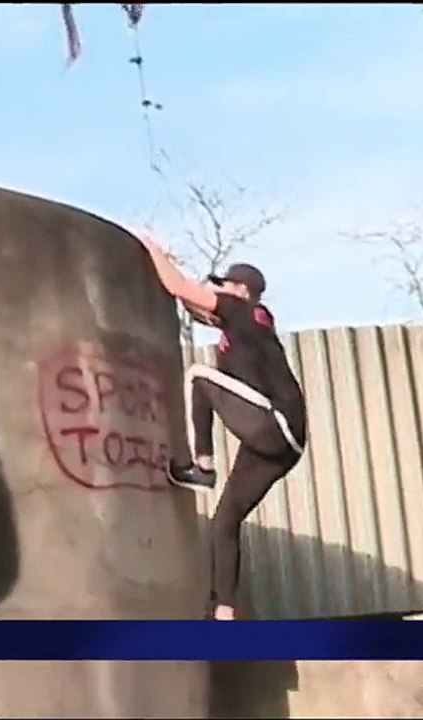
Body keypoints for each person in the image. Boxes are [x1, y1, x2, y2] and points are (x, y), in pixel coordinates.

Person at [131, 228, 308, 621]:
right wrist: (175, 272)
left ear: (242, 290)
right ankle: (225, 611)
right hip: (283, 445)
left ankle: (203, 467)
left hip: (272, 424)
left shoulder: (242, 309)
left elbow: (178, 287)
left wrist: (151, 247)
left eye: (226, 287)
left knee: (198, 376)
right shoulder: (249, 322)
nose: (221, 295)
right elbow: (197, 307)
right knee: (224, 522)